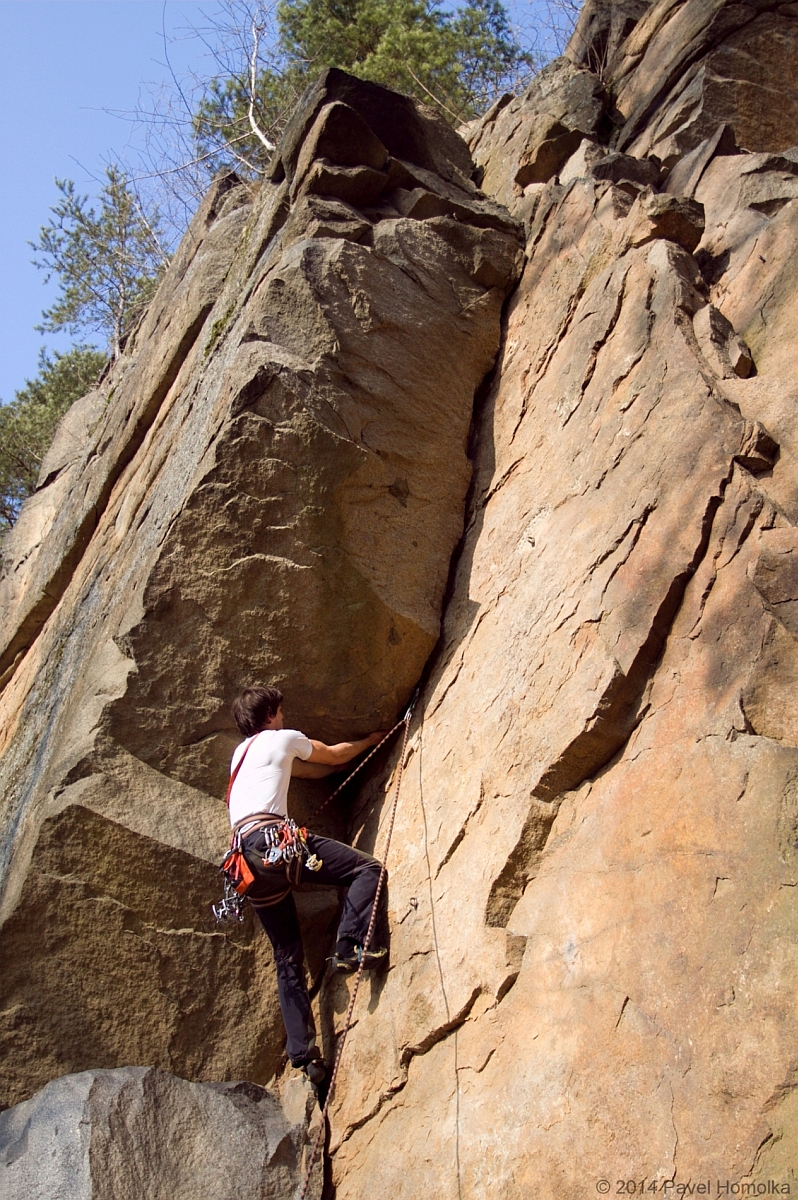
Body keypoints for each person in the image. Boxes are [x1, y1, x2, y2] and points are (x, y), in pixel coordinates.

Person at [228, 684, 388, 1086]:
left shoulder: (239, 756)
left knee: (286, 956)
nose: (283, 716)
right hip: (273, 842)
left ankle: (303, 1054)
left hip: (242, 865)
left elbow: (318, 770)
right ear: (270, 715)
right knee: (366, 870)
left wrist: (346, 761)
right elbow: (331, 756)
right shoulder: (282, 738)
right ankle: (351, 945)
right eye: (279, 710)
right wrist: (371, 741)